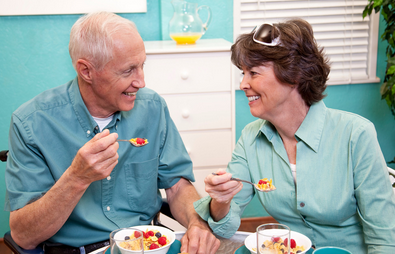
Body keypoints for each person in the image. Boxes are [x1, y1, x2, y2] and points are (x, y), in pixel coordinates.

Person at [5, 12, 220, 254]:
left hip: (146, 246)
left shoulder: (152, 108)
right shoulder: (30, 123)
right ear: (86, 71)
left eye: (142, 66)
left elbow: (177, 186)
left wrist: (196, 223)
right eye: (128, 70)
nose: (141, 81)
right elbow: (23, 236)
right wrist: (77, 177)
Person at [193, 18, 395, 253]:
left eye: (253, 73)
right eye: (242, 73)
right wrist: (221, 199)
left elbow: (384, 238)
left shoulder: (355, 135)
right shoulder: (251, 138)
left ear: (294, 75)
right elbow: (225, 228)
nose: (243, 84)